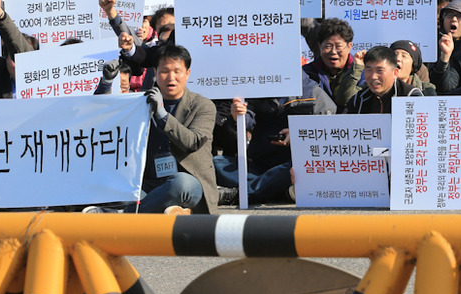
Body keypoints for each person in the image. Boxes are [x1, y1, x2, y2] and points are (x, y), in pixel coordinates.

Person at [214, 75, 336, 206]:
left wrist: (299, 135)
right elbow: (248, 118)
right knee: (216, 163)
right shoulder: (258, 88)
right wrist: (238, 116)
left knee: (299, 168)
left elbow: (327, 133)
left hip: (290, 165)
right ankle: (279, 191)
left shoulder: (313, 92)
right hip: (260, 164)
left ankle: (241, 195)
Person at [134, 45, 218, 214]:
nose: (171, 77)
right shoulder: (142, 103)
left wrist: (162, 114)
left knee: (182, 183)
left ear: (187, 73)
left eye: (177, 71)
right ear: (155, 73)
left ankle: (126, 215)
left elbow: (193, 141)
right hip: (151, 182)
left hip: (187, 183)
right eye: (164, 71)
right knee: (121, 190)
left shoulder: (202, 105)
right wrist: (106, 82)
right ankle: (169, 211)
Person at [302, 17, 362, 110]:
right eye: (328, 46)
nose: (333, 51)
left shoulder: (362, 74)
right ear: (319, 46)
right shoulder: (307, 73)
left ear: (349, 46)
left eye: (338, 46)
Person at [343, 46, 423, 113]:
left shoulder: (411, 96)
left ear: (395, 73)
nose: (373, 76)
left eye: (380, 71)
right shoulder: (360, 99)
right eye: (369, 70)